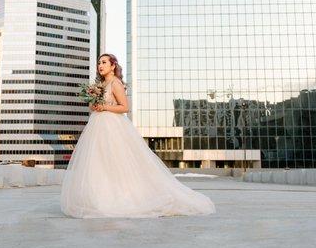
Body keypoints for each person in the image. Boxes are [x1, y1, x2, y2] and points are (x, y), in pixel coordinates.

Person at [60, 53, 216, 218]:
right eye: (99, 62)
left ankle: (122, 196)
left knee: (116, 161)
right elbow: (94, 107)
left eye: (104, 62)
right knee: (98, 161)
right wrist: (94, 102)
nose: (101, 65)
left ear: (113, 65)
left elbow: (124, 107)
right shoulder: (100, 85)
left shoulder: (115, 83)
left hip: (112, 127)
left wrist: (104, 107)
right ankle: (98, 197)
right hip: (97, 125)